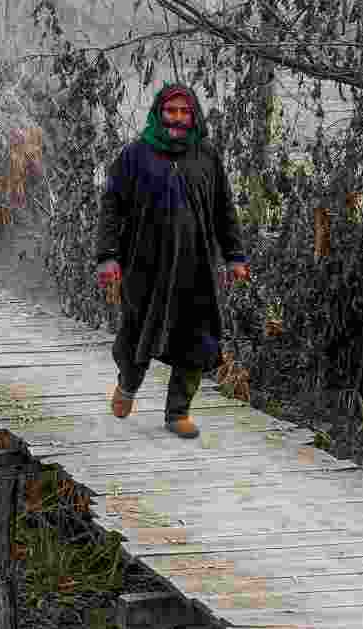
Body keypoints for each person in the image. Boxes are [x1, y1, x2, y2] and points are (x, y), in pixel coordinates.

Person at [94, 83, 250, 439]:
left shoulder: (207, 157)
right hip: (143, 266)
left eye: (184, 112)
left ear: (193, 116)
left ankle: (178, 412)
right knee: (136, 335)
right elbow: (111, 206)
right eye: (171, 111)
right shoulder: (135, 155)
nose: (178, 119)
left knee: (197, 340)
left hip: (196, 269)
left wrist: (234, 255)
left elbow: (224, 210)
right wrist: (107, 257)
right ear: (158, 113)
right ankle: (128, 385)